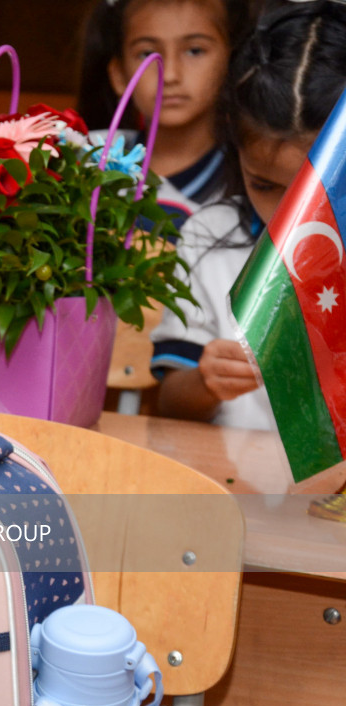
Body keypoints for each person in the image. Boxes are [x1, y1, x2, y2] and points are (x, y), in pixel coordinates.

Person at [151, 1, 346, 429]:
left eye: (315, 194)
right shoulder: (211, 234)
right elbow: (169, 403)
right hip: (235, 485)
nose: (289, 216)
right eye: (264, 185)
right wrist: (208, 379)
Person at [77, 0, 249, 226]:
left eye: (194, 51)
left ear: (231, 62)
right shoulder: (85, 162)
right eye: (146, 53)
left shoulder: (254, 181)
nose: (169, 75)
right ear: (119, 74)